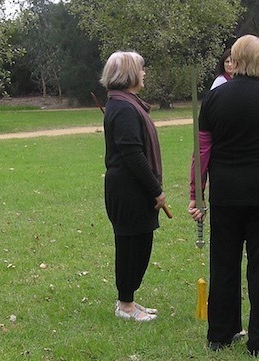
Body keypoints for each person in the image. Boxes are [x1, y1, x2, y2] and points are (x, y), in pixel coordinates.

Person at [187, 35, 259, 356]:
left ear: (234, 59)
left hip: (226, 192)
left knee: (223, 262)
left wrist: (197, 193)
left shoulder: (215, 98)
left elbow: (202, 149)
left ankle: (220, 332)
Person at [100, 51, 164, 322]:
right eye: (141, 68)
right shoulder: (124, 107)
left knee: (139, 244)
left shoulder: (125, 103)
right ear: (129, 74)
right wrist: (156, 190)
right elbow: (133, 155)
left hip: (132, 188)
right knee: (131, 246)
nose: (145, 73)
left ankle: (129, 301)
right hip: (128, 190)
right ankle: (125, 305)